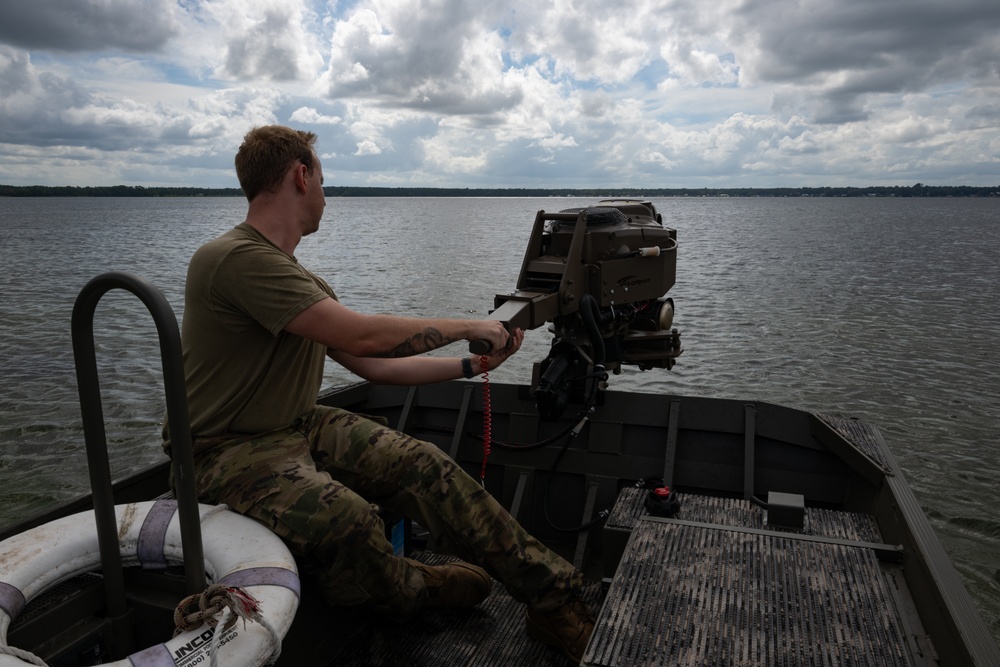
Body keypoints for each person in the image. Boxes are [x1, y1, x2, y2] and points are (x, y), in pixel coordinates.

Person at [168, 125, 594, 663]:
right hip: (223, 451)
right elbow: (363, 334)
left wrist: (470, 364)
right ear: (301, 176)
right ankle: (419, 588)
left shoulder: (297, 278)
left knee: (426, 465)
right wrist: (467, 324)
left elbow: (372, 364)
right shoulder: (232, 259)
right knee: (345, 519)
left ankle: (555, 601)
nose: (325, 194)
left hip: (295, 425)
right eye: (323, 179)